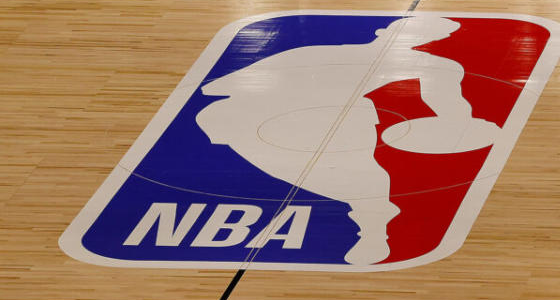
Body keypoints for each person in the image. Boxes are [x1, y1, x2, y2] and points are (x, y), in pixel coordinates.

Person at [195, 16, 497, 264]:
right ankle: (372, 222)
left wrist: (460, 124)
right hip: (268, 115)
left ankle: (374, 233)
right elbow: (218, 88)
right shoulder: (313, 56)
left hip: (332, 115)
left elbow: (451, 109)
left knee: (364, 176)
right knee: (352, 177)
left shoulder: (434, 66)